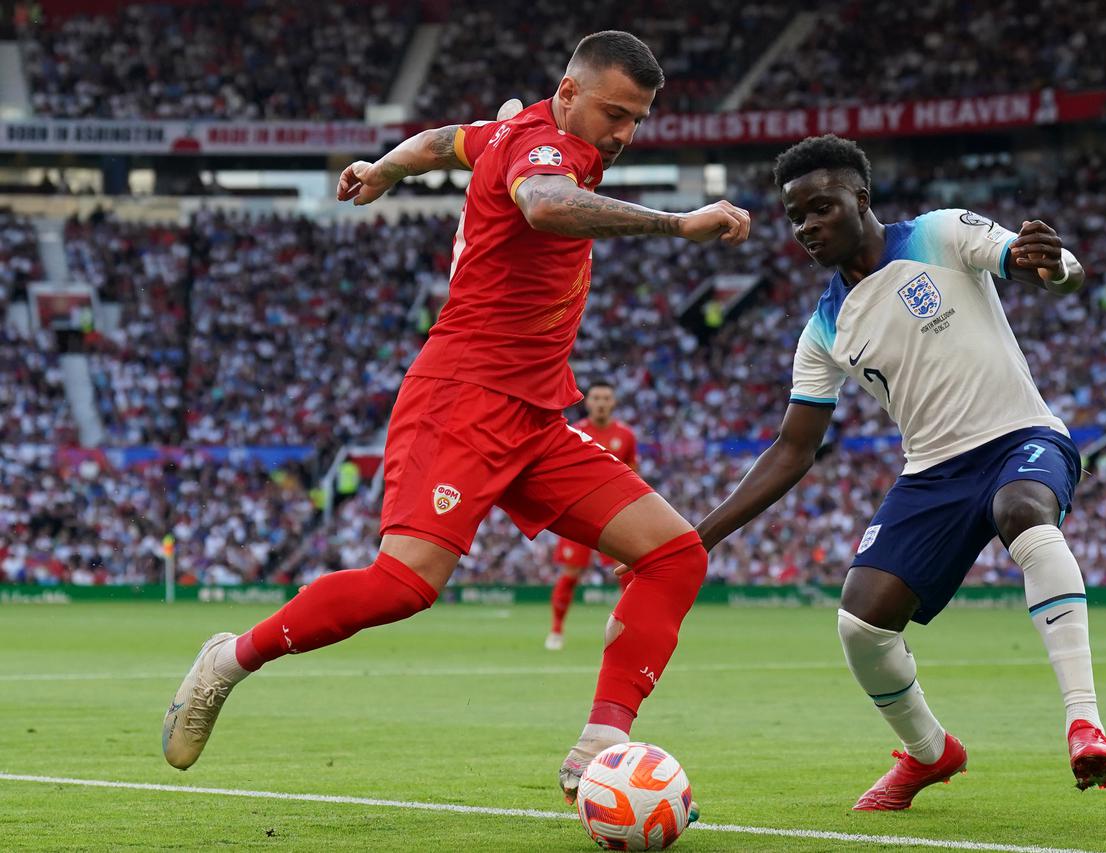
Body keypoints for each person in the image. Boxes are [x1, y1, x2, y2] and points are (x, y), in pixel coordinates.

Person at [161, 31, 750, 806]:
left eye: (637, 119)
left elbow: (447, 141)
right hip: (462, 399)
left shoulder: (512, 133)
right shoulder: (542, 148)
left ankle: (600, 745)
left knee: (674, 553)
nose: (624, 134)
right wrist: (678, 225)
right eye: (615, 113)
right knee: (404, 584)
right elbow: (544, 205)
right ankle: (228, 660)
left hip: (537, 412)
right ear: (568, 93)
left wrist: (383, 168)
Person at [676, 134, 1106, 809]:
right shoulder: (824, 327)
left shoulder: (939, 235)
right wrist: (701, 534)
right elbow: (793, 449)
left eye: (821, 207)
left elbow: (1046, 265)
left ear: (860, 198)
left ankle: (1084, 721)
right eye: (796, 217)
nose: (807, 227)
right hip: (933, 473)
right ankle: (929, 752)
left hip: (1019, 436)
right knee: (860, 624)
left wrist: (1055, 265)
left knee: (1023, 512)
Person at [546, 380, 639, 651]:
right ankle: (556, 630)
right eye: (596, 398)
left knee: (626, 569)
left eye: (605, 398)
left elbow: (633, 475)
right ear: (587, 402)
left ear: (613, 403)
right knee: (571, 572)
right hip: (579, 513)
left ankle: (629, 627)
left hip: (614, 515)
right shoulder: (574, 432)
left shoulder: (626, 436)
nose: (600, 403)